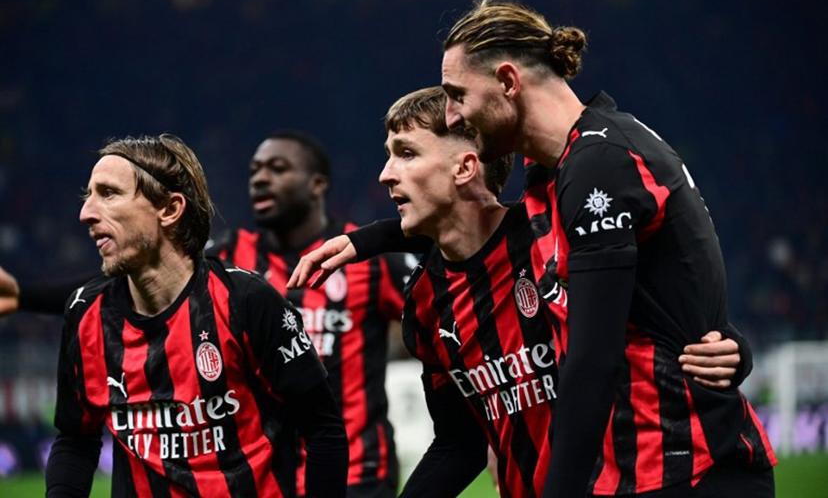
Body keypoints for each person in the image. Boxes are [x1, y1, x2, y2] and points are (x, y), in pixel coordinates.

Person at [288, 87, 756, 497]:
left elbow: (653, 311)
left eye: (406, 153)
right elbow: (460, 442)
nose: (385, 174)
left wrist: (731, 344)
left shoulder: (550, 235)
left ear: (466, 167)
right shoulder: (426, 300)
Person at [45, 134, 348, 497]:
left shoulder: (247, 301)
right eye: (88, 196)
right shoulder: (85, 314)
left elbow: (323, 429)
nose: (86, 213)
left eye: (108, 194)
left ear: (170, 210)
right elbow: (76, 439)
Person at [208, 132, 410, 498]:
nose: (260, 178)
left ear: (317, 184)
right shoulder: (227, 257)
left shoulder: (367, 257)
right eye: (254, 170)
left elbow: (439, 320)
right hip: (264, 478)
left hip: (357, 476)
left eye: (277, 168)